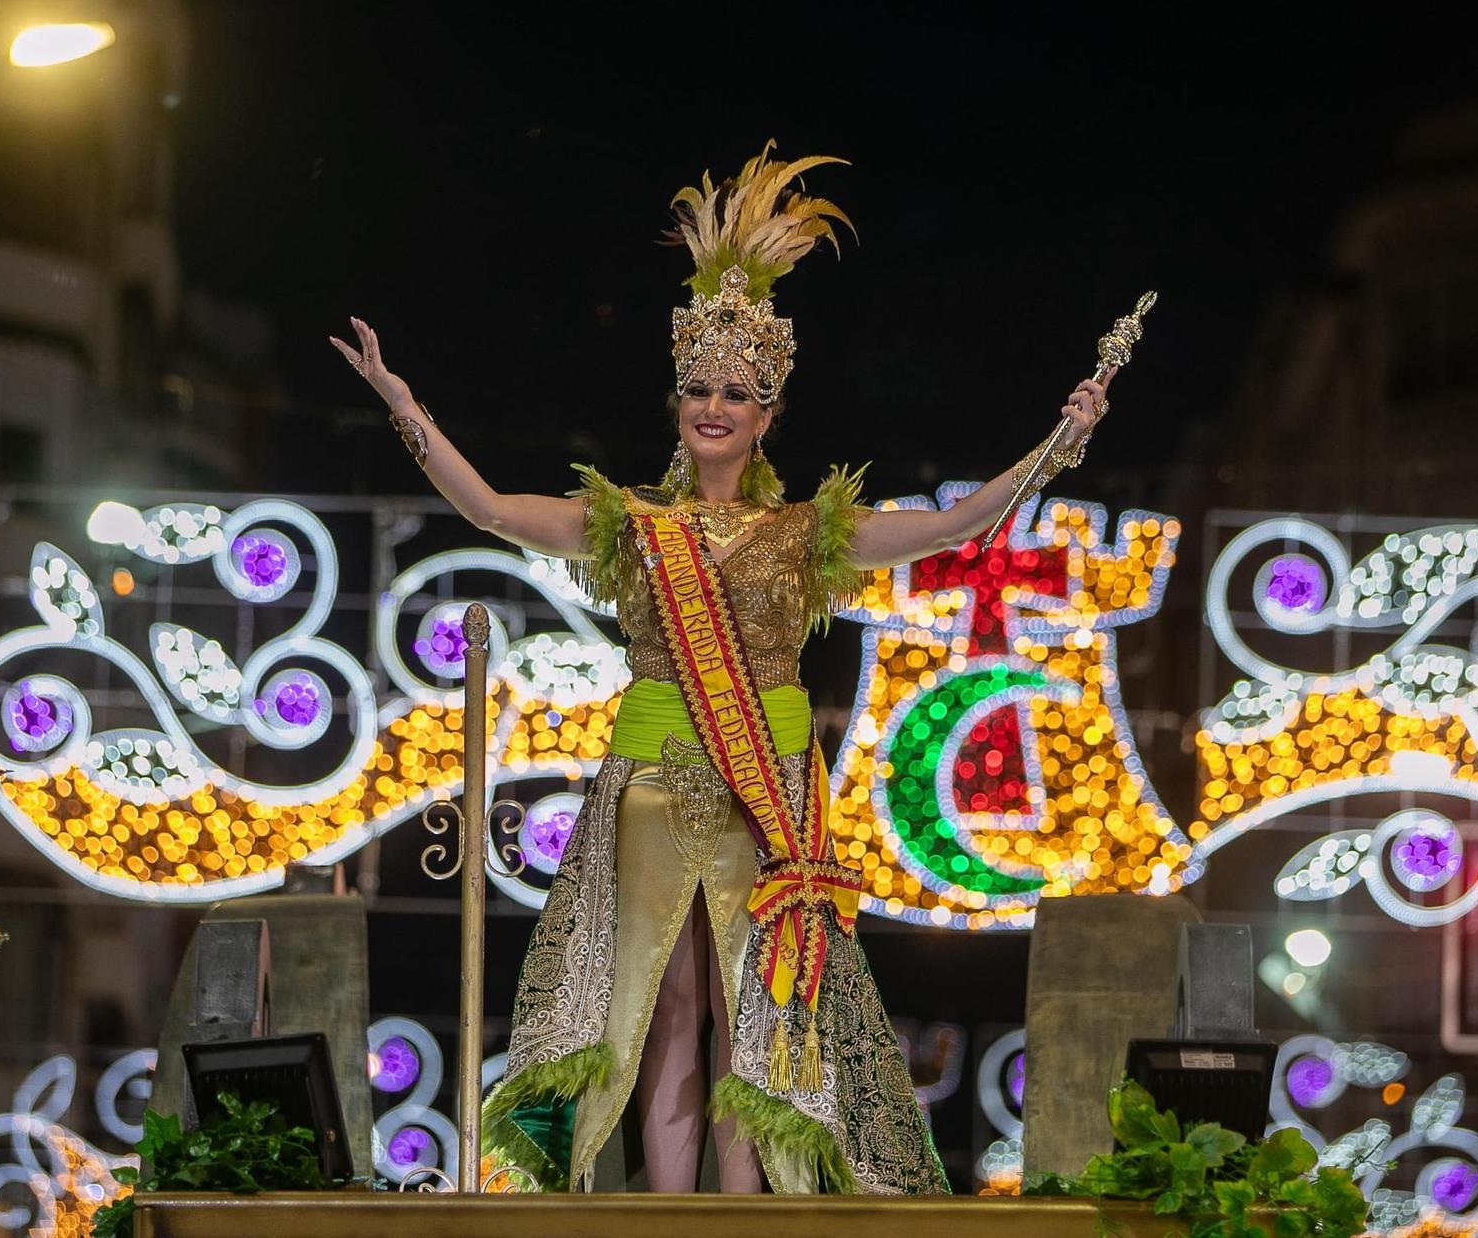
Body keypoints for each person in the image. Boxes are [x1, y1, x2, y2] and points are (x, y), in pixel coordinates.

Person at [330, 144, 1109, 1194]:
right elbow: (489, 510)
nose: (712, 404)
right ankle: (668, 1216)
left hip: (768, 796)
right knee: (662, 1010)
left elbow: (954, 524)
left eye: (736, 391)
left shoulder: (806, 532)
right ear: (676, 400)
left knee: (759, 1018)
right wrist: (400, 399)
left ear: (766, 412)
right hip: (650, 788)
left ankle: (747, 1220)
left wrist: (1055, 446)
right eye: (696, 385)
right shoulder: (630, 527)